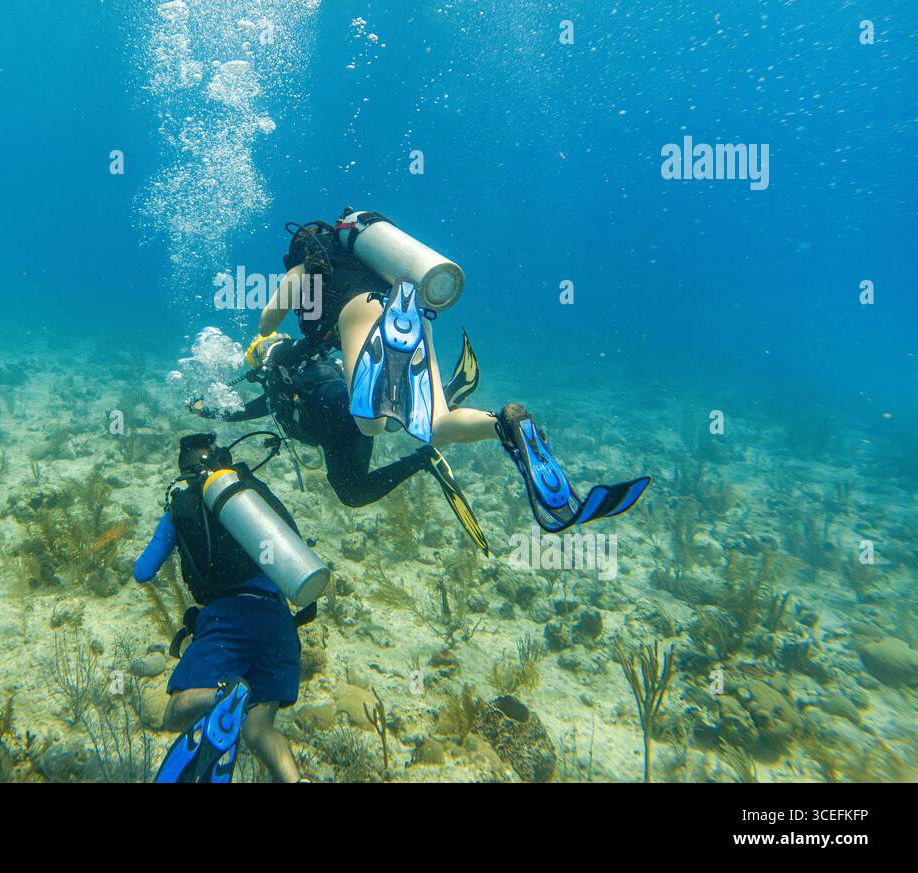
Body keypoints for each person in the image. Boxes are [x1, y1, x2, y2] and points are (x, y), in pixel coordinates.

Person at [256, 209, 650, 532]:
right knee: (437, 424)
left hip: (359, 313)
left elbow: (267, 322)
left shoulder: (306, 267)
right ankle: (506, 425)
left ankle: (387, 366)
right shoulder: (372, 258)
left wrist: (268, 330)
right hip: (409, 308)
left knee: (369, 424)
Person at [188, 330, 490, 551]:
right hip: (340, 437)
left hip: (335, 402)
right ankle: (426, 455)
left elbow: (311, 344)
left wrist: (294, 347)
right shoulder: (274, 395)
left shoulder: (287, 356)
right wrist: (208, 412)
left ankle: (417, 388)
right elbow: (241, 412)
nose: (257, 362)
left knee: (375, 413)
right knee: (352, 493)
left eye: (258, 354)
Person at [135, 432, 309, 783]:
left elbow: (143, 571)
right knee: (260, 730)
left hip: (228, 619)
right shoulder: (251, 496)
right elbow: (291, 539)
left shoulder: (181, 507)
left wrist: (175, 529)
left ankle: (226, 694)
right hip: (277, 619)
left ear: (184, 471)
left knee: (176, 711)